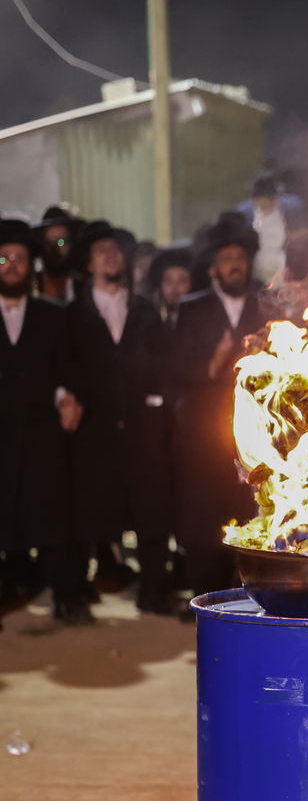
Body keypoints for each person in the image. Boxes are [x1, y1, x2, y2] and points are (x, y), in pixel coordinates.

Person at [68, 221, 176, 615]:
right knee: (89, 512)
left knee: (152, 512)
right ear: (88, 264)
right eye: (101, 252)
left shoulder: (144, 309)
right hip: (93, 431)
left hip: (142, 430)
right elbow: (65, 366)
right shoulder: (73, 313)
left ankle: (152, 592)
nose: (110, 257)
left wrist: (157, 405)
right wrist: (67, 398)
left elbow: (164, 365)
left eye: (115, 251)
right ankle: (77, 593)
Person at [169, 214, 270, 597]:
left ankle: (253, 595)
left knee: (253, 511)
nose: (234, 264)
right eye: (227, 257)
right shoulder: (192, 308)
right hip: (203, 431)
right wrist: (211, 366)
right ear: (214, 266)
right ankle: (206, 596)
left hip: (256, 430)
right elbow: (175, 365)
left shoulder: (267, 301)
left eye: (240, 257)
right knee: (204, 515)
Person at [0, 219, 89, 624]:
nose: (11, 265)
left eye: (19, 258)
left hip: (42, 435)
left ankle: (68, 597)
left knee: (53, 518)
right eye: (3, 258)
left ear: (32, 265)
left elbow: (67, 370)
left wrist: (69, 397)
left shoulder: (54, 315)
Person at [35, 206, 81, 306]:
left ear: (71, 244)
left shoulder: (83, 287)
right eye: (50, 242)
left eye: (61, 242)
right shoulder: (30, 286)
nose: (55, 247)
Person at [146, 247, 193, 331]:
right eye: (168, 280)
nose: (175, 288)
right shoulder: (150, 321)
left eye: (182, 280)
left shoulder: (201, 320)